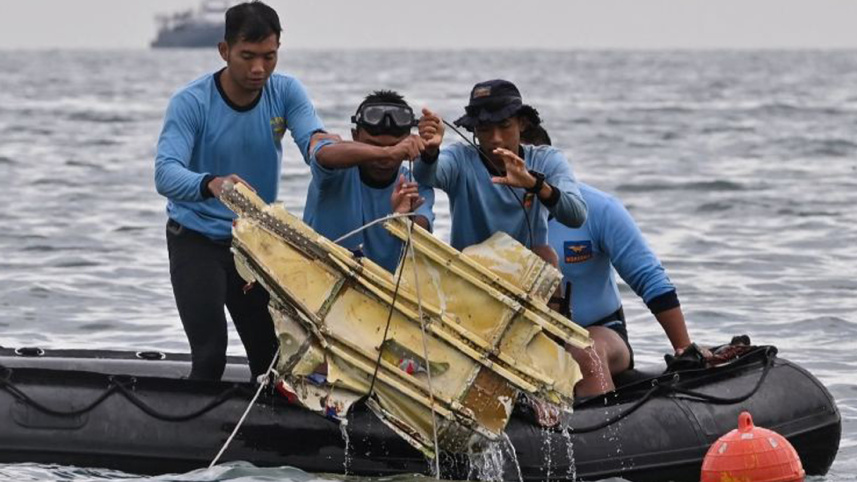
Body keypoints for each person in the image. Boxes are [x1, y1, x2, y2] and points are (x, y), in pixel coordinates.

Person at [154, 1, 332, 380]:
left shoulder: (284, 92)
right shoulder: (191, 102)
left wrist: (363, 152)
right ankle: (197, 435)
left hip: (252, 245)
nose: (258, 69)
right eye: (247, 56)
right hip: (196, 240)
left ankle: (264, 437)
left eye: (269, 57)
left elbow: (313, 143)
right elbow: (165, 175)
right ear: (224, 51)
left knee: (273, 361)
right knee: (210, 355)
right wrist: (212, 183)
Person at [521, 125, 701, 397]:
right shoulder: (492, 217)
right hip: (523, 337)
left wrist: (684, 348)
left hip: (600, 332)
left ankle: (607, 433)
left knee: (583, 352)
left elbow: (650, 279)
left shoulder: (600, 208)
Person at [414, 79, 587, 260]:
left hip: (528, 276)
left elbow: (576, 216)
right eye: (485, 129)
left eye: (504, 126)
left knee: (548, 256)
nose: (495, 138)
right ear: (474, 129)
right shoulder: (460, 159)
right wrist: (430, 151)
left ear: (522, 124)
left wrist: (534, 184)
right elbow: (426, 176)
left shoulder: (546, 159)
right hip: (470, 275)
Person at [303, 91, 435, 272]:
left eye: (396, 145)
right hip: (316, 278)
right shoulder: (333, 171)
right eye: (373, 145)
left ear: (408, 142)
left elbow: (424, 231)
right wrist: (390, 152)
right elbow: (322, 154)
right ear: (355, 136)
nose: (385, 159)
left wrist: (403, 220)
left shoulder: (414, 184)